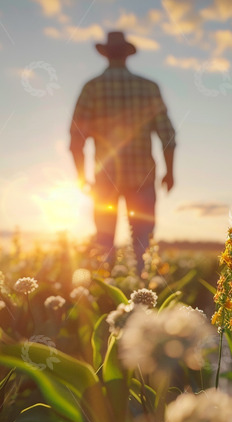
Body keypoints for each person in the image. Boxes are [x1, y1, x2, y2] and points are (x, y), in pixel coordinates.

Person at [69, 31, 176, 270]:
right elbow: (167, 135)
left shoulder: (92, 88)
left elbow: (76, 139)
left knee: (104, 241)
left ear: (106, 54)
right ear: (127, 55)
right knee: (143, 243)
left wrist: (81, 177)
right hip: (143, 176)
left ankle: (106, 286)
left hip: (104, 178)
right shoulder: (148, 87)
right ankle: (140, 288)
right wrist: (170, 172)